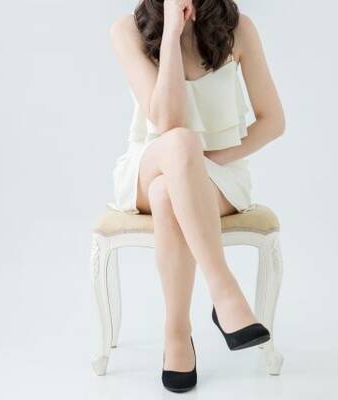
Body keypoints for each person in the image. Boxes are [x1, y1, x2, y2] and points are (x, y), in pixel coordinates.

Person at [107, 0, 285, 392]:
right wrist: (172, 32)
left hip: (216, 175)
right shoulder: (127, 30)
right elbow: (167, 121)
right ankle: (224, 290)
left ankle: (176, 332)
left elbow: (273, 120)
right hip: (149, 164)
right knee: (180, 143)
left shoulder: (239, 29)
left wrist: (211, 161)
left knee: (168, 193)